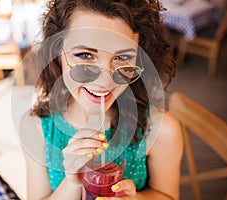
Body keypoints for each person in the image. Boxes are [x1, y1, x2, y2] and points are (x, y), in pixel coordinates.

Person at [18, 0, 183, 199]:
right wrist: (72, 183)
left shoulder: (162, 131)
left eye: (122, 58)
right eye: (85, 54)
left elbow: (168, 196)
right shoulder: (36, 128)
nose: (105, 81)